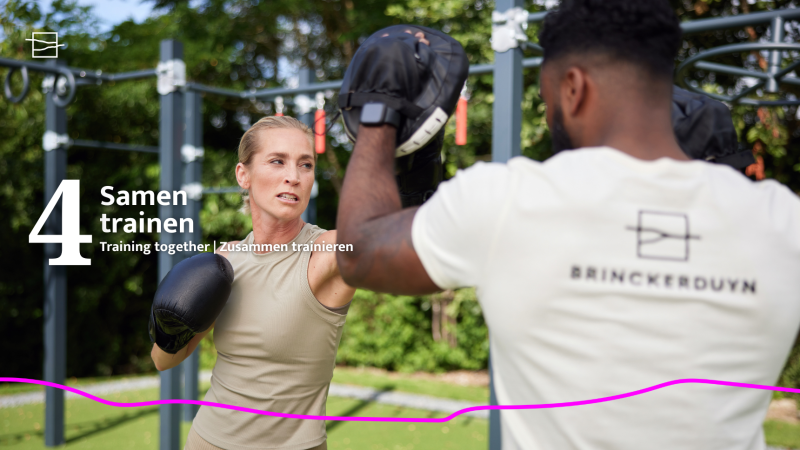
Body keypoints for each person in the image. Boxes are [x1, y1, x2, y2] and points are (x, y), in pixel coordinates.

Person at [334, 1, 800, 449]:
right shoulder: (782, 221)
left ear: (573, 88)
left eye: (547, 97)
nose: (550, 111)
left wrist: (381, 110)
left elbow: (359, 251)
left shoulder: (508, 200)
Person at [150, 116, 355, 450]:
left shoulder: (326, 252)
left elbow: (389, 239)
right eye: (277, 161)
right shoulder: (224, 262)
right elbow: (164, 361)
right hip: (207, 440)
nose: (294, 176)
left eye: (306, 165)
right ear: (243, 175)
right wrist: (168, 327)